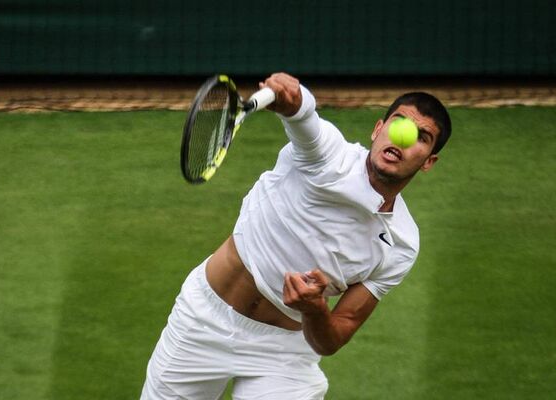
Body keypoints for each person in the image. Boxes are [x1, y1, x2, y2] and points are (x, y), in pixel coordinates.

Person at [140, 73, 452, 399]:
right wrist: (293, 96)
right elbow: (302, 115)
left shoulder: (401, 244)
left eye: (421, 136)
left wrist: (315, 310)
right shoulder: (329, 155)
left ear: (429, 161)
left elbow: (334, 337)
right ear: (378, 129)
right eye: (399, 122)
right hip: (203, 320)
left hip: (284, 354)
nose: (402, 138)